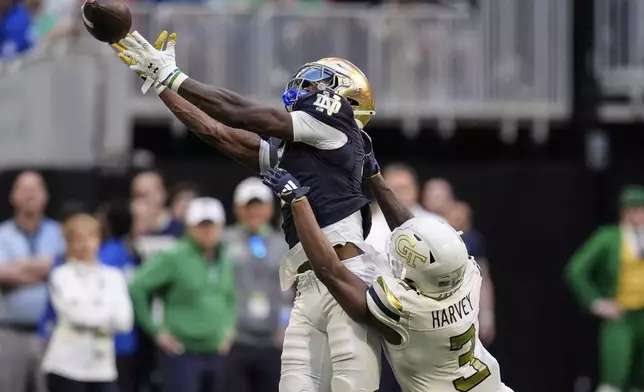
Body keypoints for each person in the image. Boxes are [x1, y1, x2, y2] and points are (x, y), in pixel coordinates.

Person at [115, 32, 383, 391]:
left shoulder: (337, 124)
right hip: (307, 288)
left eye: (323, 80)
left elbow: (239, 112)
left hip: (347, 277)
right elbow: (217, 132)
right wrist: (160, 84)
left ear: (345, 97)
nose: (309, 85)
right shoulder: (304, 146)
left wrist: (174, 75)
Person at [261, 142, 512, 392]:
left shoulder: (408, 310)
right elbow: (415, 234)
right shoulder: (465, 275)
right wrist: (375, 176)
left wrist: (299, 202)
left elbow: (331, 272)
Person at [129, 197, 236, 392]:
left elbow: (228, 296)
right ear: (189, 227)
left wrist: (228, 330)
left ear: (221, 227)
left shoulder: (225, 257)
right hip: (183, 352)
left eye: (212, 225)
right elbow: (137, 286)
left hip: (216, 351)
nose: (208, 231)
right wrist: (157, 331)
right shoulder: (174, 256)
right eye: (201, 226)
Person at [39, 200, 141, 392]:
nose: (85, 244)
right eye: (78, 238)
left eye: (90, 237)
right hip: (65, 366)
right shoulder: (61, 274)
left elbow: (125, 321)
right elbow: (77, 316)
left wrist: (90, 310)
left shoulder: (113, 276)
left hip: (103, 368)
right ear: (68, 242)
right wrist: (105, 313)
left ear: (99, 239)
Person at [566, 185, 644, 392]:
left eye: (641, 209)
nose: (637, 215)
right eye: (632, 210)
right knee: (615, 377)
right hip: (622, 317)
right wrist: (596, 302)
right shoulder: (609, 237)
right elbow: (576, 270)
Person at [223, 177, 290, 392]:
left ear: (269, 209)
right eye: (248, 206)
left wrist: (284, 329)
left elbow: (288, 292)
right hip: (234, 340)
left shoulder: (282, 244)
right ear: (237, 209)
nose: (254, 212)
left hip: (272, 341)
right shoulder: (223, 241)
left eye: (259, 206)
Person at [0, 170, 65, 392]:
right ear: (13, 196)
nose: (30, 195)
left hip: (51, 334)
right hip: (10, 333)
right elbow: (2, 273)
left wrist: (19, 266)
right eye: (24, 189)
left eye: (36, 189)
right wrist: (44, 269)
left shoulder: (59, 233)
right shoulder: (2, 234)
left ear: (45, 196)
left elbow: (63, 272)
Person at [445, 201, 496, 345]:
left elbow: (484, 279)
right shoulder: (434, 240)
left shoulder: (474, 241)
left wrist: (487, 315)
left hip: (468, 307)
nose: (458, 219)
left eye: (462, 217)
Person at [366, 163, 441, 254]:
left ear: (416, 189)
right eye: (394, 189)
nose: (401, 194)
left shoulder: (436, 223)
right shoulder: (368, 227)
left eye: (404, 188)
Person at [131, 170, 184, 237]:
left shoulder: (181, 231)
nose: (136, 204)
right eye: (134, 197)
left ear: (161, 195)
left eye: (142, 196)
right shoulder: (124, 236)